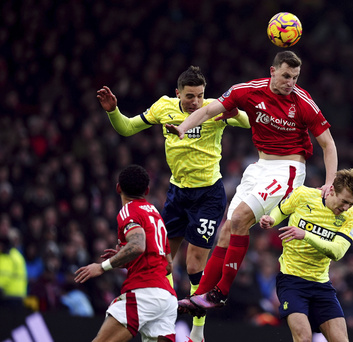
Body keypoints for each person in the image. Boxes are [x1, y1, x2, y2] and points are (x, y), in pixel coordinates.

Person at [168, 51, 337, 311]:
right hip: (260, 166)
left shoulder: (303, 102)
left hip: (289, 168)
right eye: (285, 76)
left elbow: (328, 144)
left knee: (239, 219)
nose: (290, 82)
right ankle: (200, 296)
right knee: (227, 228)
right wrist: (182, 128)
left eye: (295, 77)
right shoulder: (247, 91)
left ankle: (220, 293)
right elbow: (207, 110)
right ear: (272, 71)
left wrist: (329, 183)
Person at [97, 66, 250, 341]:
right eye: (190, 96)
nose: (196, 102)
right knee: (162, 259)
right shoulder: (164, 107)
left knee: (193, 265)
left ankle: (198, 331)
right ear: (178, 93)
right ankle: (165, 309)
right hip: (178, 194)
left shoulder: (214, 109)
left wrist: (235, 113)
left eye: (200, 96)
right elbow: (128, 127)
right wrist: (113, 111)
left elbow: (249, 123)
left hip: (208, 195)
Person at [258, 168, 353, 342]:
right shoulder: (303, 195)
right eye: (344, 201)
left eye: (352, 203)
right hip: (292, 281)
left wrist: (306, 235)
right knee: (304, 338)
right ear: (331, 190)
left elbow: (337, 252)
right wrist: (271, 219)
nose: (346, 208)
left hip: (321, 285)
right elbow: (281, 210)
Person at [74, 164, 177, 342]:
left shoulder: (129, 210)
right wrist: (126, 260)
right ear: (147, 190)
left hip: (144, 292)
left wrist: (102, 267)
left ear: (118, 187)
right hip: (167, 298)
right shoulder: (155, 214)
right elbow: (167, 265)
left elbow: (138, 246)